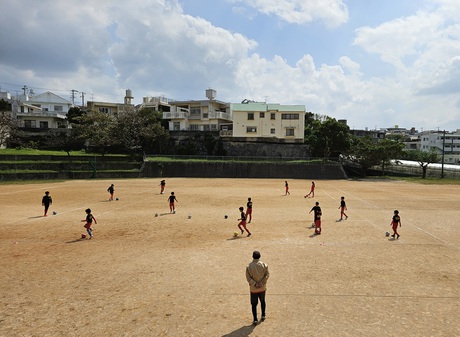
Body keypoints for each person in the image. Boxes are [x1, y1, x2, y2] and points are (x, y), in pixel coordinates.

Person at [246, 251, 269, 325]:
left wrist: (255, 284)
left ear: (252, 256)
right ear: (260, 256)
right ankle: (263, 315)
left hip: (253, 289)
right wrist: (261, 283)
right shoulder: (264, 265)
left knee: (253, 304)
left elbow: (248, 277)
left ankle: (255, 319)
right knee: (263, 301)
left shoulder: (249, 266)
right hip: (262, 288)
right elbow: (267, 275)